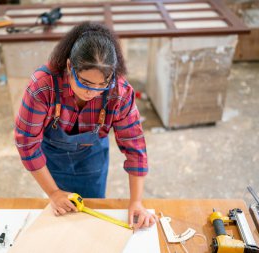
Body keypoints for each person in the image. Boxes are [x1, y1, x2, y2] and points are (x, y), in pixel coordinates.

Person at [15, 22, 156, 230]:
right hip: (52, 158)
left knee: (90, 216)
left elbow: (135, 147)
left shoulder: (120, 91)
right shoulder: (43, 86)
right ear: (70, 66)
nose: (93, 92)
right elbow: (27, 143)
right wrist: (53, 193)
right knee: (60, 219)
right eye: (86, 83)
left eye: (102, 85)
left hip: (92, 157)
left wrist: (136, 202)